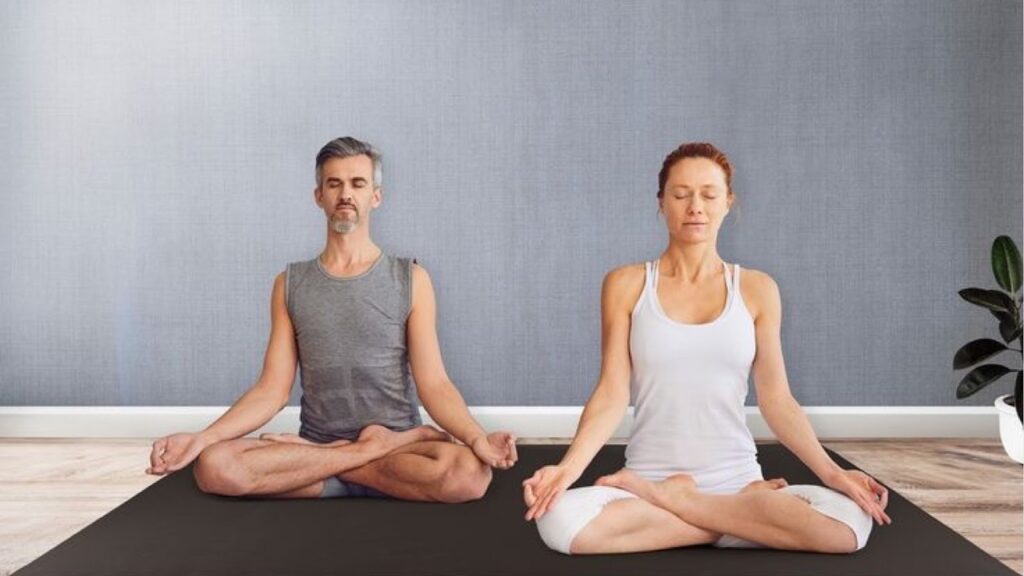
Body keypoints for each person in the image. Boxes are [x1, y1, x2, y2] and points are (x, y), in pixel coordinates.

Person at [522, 142, 890, 554]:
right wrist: (567, 470)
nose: (695, 206)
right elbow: (611, 392)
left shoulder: (757, 289)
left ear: (728, 203)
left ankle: (686, 505)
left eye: (709, 195)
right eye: (680, 195)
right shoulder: (626, 285)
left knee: (849, 527)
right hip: (647, 481)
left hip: (736, 480)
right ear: (661, 203)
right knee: (559, 523)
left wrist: (833, 473)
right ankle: (733, 520)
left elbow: (777, 399)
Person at [146, 136, 517, 501]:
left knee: (469, 475)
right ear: (318, 196)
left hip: (390, 453)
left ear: (376, 196)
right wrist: (203, 438)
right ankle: (359, 460)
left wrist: (474, 437)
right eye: (334, 184)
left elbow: (434, 384)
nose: (345, 195)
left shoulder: (411, 279)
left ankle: (341, 466)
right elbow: (271, 390)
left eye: (358, 184)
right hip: (324, 446)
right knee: (215, 465)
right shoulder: (289, 283)